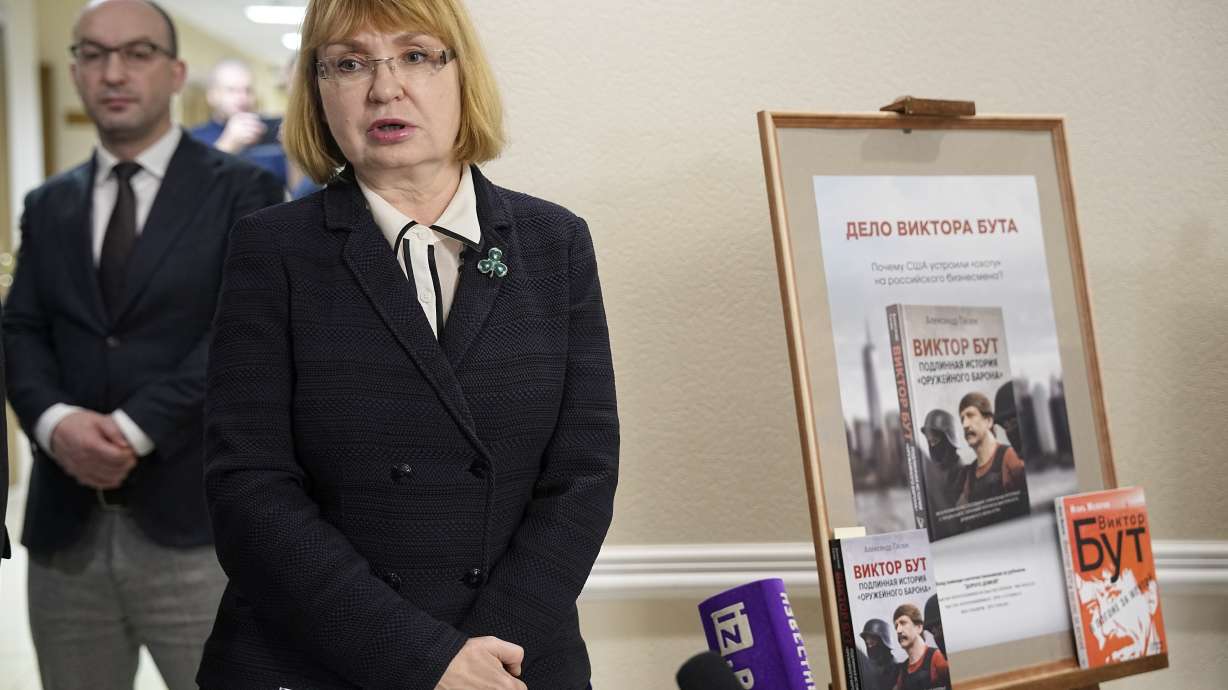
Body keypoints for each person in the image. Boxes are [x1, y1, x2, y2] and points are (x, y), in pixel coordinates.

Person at [196, 1, 619, 689]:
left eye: (417, 55)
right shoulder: (271, 248)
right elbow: (250, 490)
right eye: (350, 62)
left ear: (463, 75)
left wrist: (488, 650)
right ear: (318, 90)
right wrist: (426, 660)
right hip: (317, 660)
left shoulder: (554, 242)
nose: (384, 87)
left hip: (513, 660)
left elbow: (584, 472)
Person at [2, 1, 283, 688]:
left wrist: (133, 429)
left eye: (137, 53)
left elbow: (242, 334)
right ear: (74, 70)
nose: (113, 72)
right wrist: (54, 421)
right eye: (92, 55)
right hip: (65, 539)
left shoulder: (245, 190)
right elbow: (21, 330)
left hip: (197, 531)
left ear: (175, 70)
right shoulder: (49, 204)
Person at [189, 58, 289, 185]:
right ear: (212, 96)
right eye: (232, 90)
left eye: (248, 90)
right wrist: (228, 145)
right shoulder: (193, 139)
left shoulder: (271, 132)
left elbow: (296, 191)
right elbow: (190, 186)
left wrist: (294, 153)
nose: (243, 98)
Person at [957, 392, 1029, 512]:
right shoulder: (970, 473)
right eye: (962, 419)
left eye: (970, 415)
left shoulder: (1009, 457)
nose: (965, 424)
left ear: (988, 421)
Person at [891, 604, 950, 690]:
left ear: (919, 627)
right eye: (896, 626)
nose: (898, 630)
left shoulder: (937, 657)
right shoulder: (903, 671)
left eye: (903, 623)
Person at [858, 618, 899, 690]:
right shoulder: (867, 669)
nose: (869, 646)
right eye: (867, 643)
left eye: (872, 641)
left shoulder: (898, 671)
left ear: (884, 642)